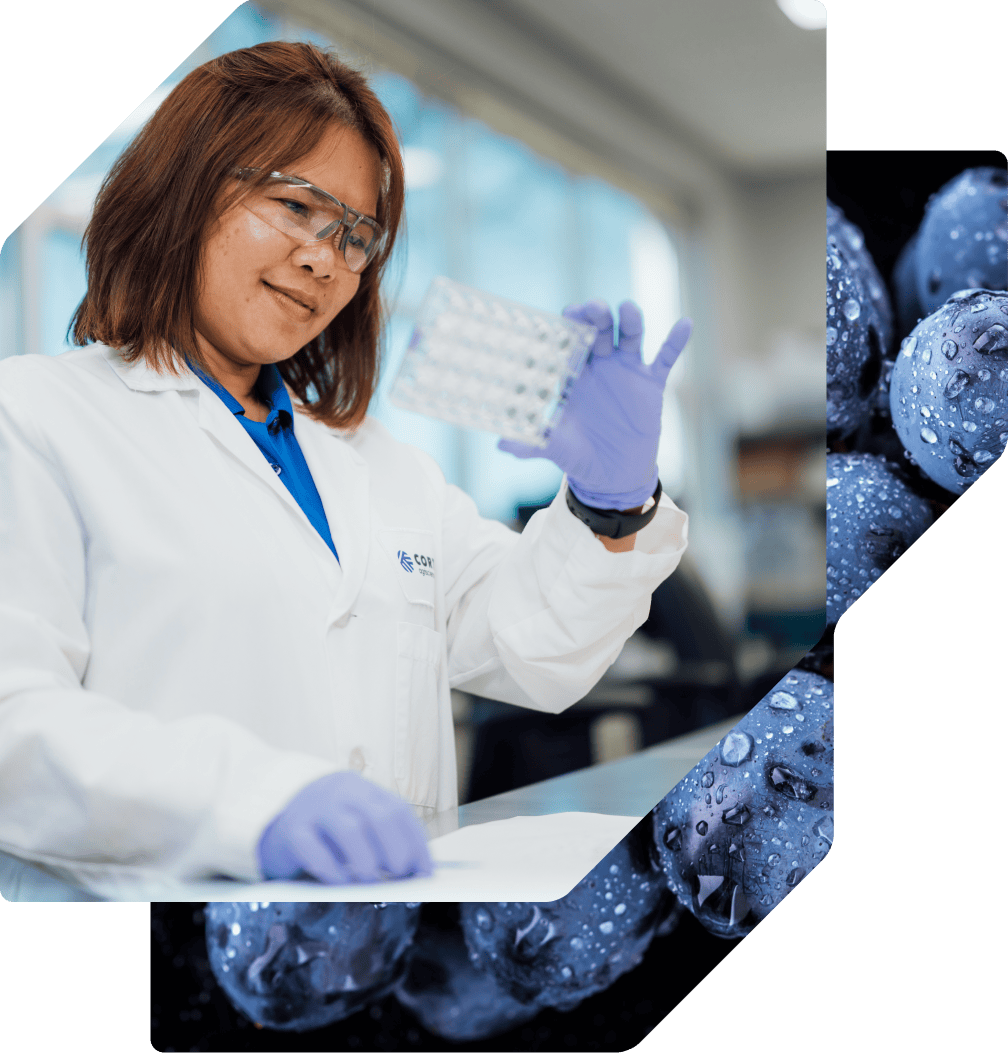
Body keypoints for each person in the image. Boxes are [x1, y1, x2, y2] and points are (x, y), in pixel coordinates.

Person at [0, 42, 691, 901]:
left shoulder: (377, 468)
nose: (324, 260)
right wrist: (255, 803)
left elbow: (537, 649)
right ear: (181, 187)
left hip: (378, 947)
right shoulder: (32, 419)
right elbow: (14, 726)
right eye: (295, 205)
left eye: (353, 235)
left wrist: (609, 501)